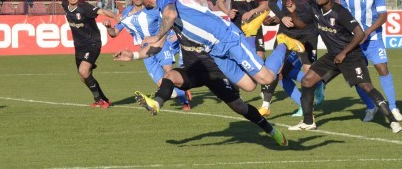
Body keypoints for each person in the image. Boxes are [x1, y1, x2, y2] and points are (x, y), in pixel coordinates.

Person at [114, 22, 288, 147]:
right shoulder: (172, 20)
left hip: (216, 73)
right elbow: (157, 46)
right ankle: (156, 103)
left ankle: (271, 131)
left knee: (240, 107)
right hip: (192, 70)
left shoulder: (204, 24)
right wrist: (134, 56)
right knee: (170, 75)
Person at [134, 0, 303, 94]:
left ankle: (282, 43)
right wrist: (133, 55)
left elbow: (170, 16)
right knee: (250, 86)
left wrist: (156, 37)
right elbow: (161, 37)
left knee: (266, 79)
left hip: (226, 38)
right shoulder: (165, 4)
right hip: (215, 50)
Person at [286, 0, 402, 133]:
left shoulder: (341, 12)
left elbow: (360, 33)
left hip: (351, 56)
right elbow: (301, 25)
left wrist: (344, 53)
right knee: (307, 81)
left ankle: (393, 121)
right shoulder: (316, 9)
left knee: (366, 87)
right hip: (333, 56)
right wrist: (293, 12)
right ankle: (308, 122)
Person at [105, 0, 190, 110]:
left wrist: (175, 33)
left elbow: (169, 19)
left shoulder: (152, 9)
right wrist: (108, 27)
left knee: (169, 73)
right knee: (162, 84)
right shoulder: (126, 14)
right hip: (144, 52)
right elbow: (114, 33)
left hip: (160, 45)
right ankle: (182, 92)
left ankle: (184, 103)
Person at [262, 0, 324, 116]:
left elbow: (321, 10)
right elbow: (272, 2)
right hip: (287, 32)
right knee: (277, 70)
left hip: (309, 33)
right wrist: (281, 17)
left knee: (309, 72)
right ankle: (266, 105)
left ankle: (318, 87)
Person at [340, 0, 402, 122]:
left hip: (373, 37)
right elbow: (342, 14)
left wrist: (367, 32)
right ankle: (371, 106)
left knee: (382, 68)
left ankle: (393, 107)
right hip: (353, 40)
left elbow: (383, 16)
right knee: (357, 76)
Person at [61, 0, 119, 108]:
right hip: (79, 46)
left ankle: (99, 101)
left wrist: (115, 16)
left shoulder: (85, 7)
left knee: (83, 70)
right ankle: (104, 99)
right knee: (83, 76)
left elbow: (102, 11)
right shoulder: (65, 4)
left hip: (93, 43)